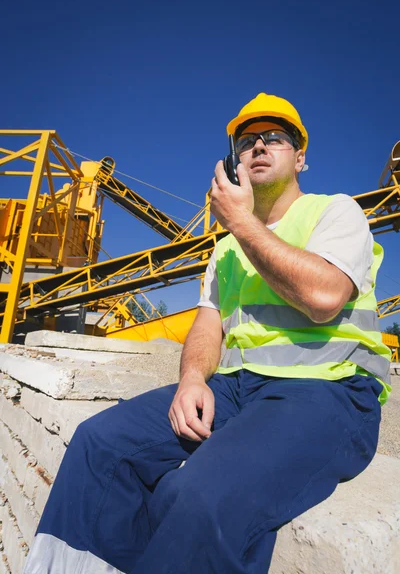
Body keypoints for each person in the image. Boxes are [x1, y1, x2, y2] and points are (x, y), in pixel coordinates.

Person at [24, 93, 391, 574]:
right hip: (237, 388)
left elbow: (324, 298)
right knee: (100, 446)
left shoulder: (335, 213)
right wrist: (193, 379)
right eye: (246, 141)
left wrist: (239, 220)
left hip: (328, 392)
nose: (259, 146)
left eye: (275, 138)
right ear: (233, 160)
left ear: (299, 157)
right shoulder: (226, 249)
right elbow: (207, 323)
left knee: (195, 495)